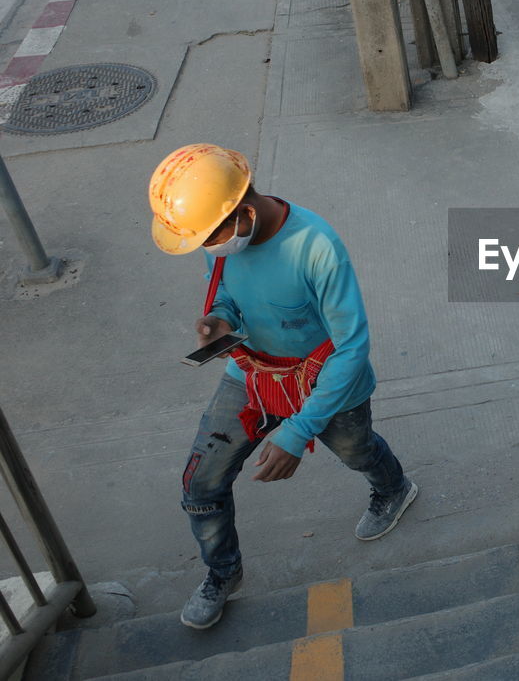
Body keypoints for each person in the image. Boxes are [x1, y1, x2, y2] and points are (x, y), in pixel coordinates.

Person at [149, 144, 417, 630]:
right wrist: (220, 318)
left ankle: (394, 488)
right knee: (199, 484)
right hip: (251, 374)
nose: (207, 249)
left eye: (211, 238)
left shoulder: (316, 247)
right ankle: (223, 572)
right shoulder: (220, 236)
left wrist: (297, 431)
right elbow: (226, 289)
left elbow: (351, 347)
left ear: (245, 212)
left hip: (328, 383)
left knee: (358, 452)